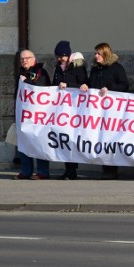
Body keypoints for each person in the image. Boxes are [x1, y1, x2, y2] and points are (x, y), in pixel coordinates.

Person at [80, 42, 129, 180]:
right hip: (97, 111)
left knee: (109, 138)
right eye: (95, 53)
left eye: (98, 53)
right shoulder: (95, 69)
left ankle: (111, 169)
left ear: (105, 54)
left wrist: (110, 88)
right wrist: (85, 85)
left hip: (112, 111)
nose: (96, 56)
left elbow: (124, 85)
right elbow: (91, 84)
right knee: (99, 138)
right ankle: (104, 167)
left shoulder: (116, 68)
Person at [51, 40, 88, 180]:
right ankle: (68, 169)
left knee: (73, 138)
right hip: (63, 108)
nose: (60, 59)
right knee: (64, 138)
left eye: (62, 56)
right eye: (58, 57)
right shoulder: (58, 68)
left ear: (68, 55)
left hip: (75, 107)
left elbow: (83, 84)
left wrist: (68, 84)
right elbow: (55, 85)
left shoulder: (78, 66)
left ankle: (73, 170)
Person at [15, 49, 51, 180]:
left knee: (39, 142)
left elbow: (40, 88)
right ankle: (26, 171)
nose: (24, 60)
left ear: (34, 59)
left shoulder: (41, 72)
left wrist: (27, 82)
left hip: (39, 114)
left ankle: (43, 172)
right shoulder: (22, 73)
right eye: (22, 59)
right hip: (24, 113)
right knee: (24, 141)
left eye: (27, 58)